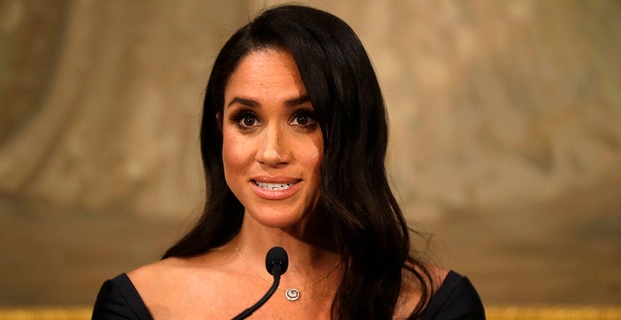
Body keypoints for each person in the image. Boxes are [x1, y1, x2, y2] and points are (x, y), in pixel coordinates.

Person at [91, 4, 485, 319]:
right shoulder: (141, 304)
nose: (271, 153)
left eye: (304, 118)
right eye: (247, 120)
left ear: (352, 133)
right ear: (219, 131)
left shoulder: (437, 306)